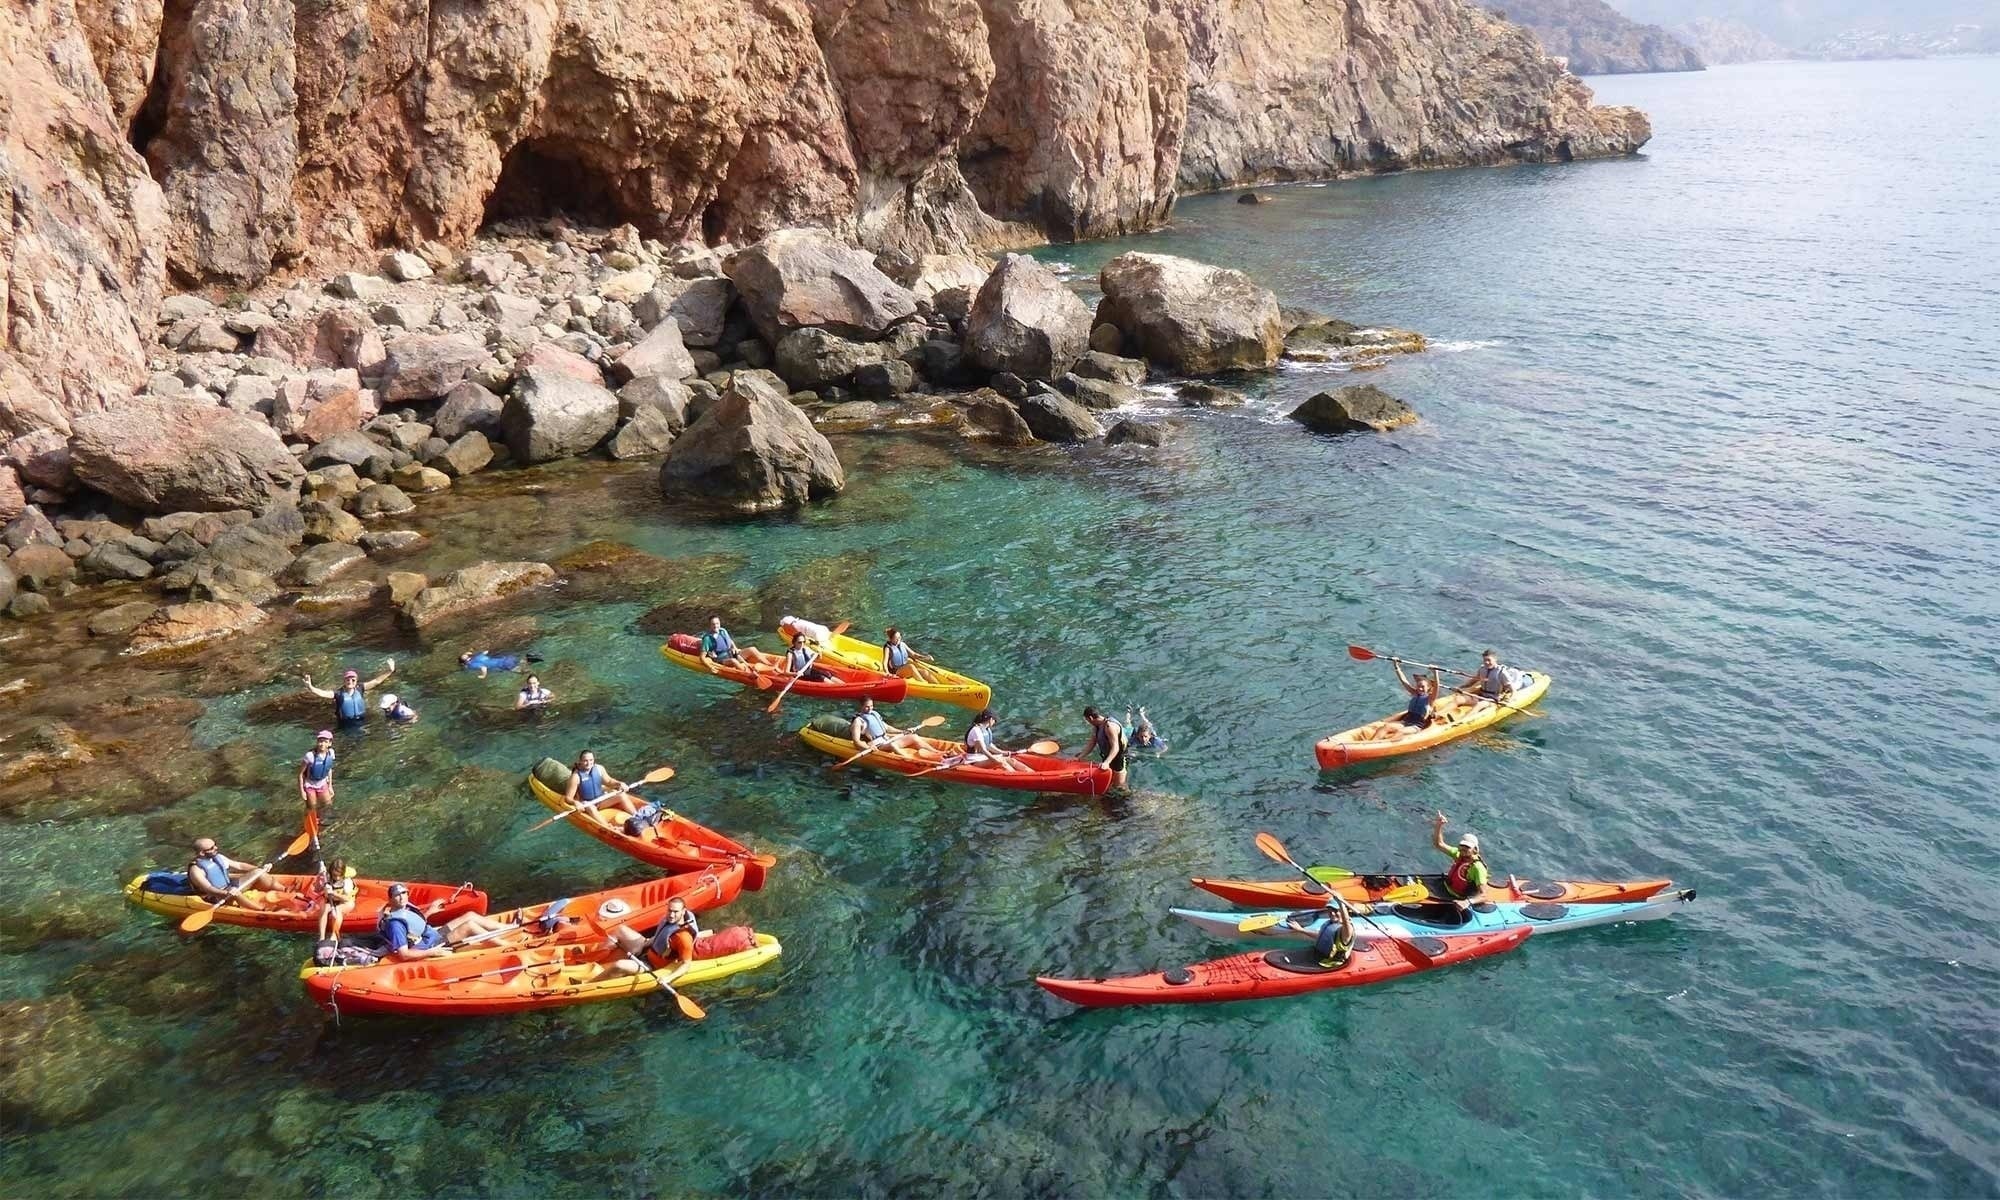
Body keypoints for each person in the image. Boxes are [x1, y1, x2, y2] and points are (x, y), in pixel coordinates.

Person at [376, 883, 518, 960]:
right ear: (390, 900)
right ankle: (507, 946)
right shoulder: (396, 924)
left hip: (433, 935)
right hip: (431, 945)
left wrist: (430, 911)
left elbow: (415, 926)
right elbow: (404, 954)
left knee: (470, 915)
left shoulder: (405, 908)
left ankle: (509, 928)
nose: (402, 897)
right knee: (469, 926)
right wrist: (432, 952)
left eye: (404, 893)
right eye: (397, 895)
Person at [590, 896, 702, 983]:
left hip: (650, 965)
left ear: (683, 911)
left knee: (619, 965)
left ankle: (588, 983)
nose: (671, 915)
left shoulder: (683, 937)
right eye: (669, 910)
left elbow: (686, 964)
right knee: (620, 929)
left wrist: (669, 978)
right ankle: (593, 959)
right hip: (647, 947)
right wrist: (644, 943)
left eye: (676, 912)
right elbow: (660, 935)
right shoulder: (667, 920)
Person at [185, 838, 279, 910]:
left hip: (229, 887)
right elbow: (209, 889)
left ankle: (285, 890)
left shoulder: (218, 857)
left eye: (215, 845)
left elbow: (239, 865)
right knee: (236, 892)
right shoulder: (196, 870)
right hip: (215, 897)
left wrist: (260, 868)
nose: (216, 848)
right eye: (212, 848)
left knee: (258, 872)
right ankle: (262, 910)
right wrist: (227, 893)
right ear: (202, 853)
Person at [1363, 663, 1444, 741]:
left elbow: (1437, 686)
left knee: (1400, 732)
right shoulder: (1414, 693)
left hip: (1415, 726)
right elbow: (1403, 681)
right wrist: (1396, 666)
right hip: (1405, 722)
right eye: (1418, 686)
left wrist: (1435, 672)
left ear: (1429, 688)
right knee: (1386, 727)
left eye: (1423, 687)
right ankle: (1370, 743)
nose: (1420, 688)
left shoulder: (1430, 699)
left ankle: (1387, 745)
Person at [302, 660, 395, 723]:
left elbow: (376, 681)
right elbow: (323, 693)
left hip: (361, 721)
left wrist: (390, 671)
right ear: (344, 681)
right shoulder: (339, 693)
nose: (350, 682)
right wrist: (311, 687)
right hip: (345, 724)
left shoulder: (360, 688)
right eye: (348, 680)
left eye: (353, 680)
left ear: (356, 681)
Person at [1431, 812, 1490, 906]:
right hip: (1444, 887)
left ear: (1475, 850)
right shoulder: (1459, 854)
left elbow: (1485, 895)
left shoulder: (1478, 868)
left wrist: (1467, 902)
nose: (1463, 848)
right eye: (1462, 845)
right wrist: (1439, 825)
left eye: (1467, 847)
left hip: (1456, 897)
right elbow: (1439, 844)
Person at [565, 750, 644, 819]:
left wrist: (620, 783)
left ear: (594, 760)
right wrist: (575, 803)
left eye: (591, 760)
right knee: (590, 807)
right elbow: (568, 798)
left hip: (601, 801)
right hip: (588, 805)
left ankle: (637, 816)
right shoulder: (575, 777)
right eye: (585, 760)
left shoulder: (599, 769)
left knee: (622, 795)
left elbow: (609, 781)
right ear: (580, 761)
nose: (589, 763)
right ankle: (610, 828)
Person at [1285, 895, 1356, 968]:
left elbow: (1346, 921)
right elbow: (1321, 936)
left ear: (1342, 911)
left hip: (1327, 964)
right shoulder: (1330, 923)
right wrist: (1301, 930)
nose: (1331, 913)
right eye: (1329, 910)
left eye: (1335, 910)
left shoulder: (1346, 931)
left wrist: (1341, 903)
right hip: (1316, 955)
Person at [849, 697, 925, 758]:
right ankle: (910, 760)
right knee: (893, 745)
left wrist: (902, 731)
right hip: (876, 745)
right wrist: (867, 748)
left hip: (887, 739)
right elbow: (856, 741)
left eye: (871, 706)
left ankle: (936, 753)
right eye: (867, 707)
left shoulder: (874, 714)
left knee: (914, 737)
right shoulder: (858, 721)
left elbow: (887, 728)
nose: (870, 709)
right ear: (861, 706)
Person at [961, 709, 1028, 773]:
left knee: (1010, 759)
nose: (994, 723)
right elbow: (983, 750)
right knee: (1002, 762)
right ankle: (1016, 777)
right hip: (974, 761)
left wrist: (1002, 752)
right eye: (995, 721)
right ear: (990, 719)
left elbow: (989, 745)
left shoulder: (987, 729)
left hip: (982, 758)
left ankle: (1029, 773)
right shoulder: (976, 730)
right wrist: (994, 760)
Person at [1084, 706, 1127, 790]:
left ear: (1091, 718)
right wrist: (1079, 757)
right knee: (1110, 783)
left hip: (1118, 756)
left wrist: (1107, 762)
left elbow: (1115, 747)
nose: (1087, 722)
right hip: (1107, 755)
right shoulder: (1096, 726)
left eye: (1087, 720)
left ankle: (1128, 798)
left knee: (1120, 786)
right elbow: (1092, 743)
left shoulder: (1109, 726)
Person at [316, 859, 357, 941]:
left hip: (345, 901)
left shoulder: (347, 881)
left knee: (338, 910)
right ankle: (321, 937)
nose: (337, 878)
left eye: (339, 875)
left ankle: (334, 937)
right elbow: (317, 889)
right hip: (331, 900)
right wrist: (319, 877)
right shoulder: (326, 876)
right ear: (331, 873)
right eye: (334, 875)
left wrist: (333, 893)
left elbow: (347, 899)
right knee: (323, 908)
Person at [298, 730, 337, 817]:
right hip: (310, 785)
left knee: (328, 804)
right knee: (312, 807)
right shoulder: (310, 756)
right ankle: (309, 821)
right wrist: (302, 791)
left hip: (323, 783)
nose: (322, 744)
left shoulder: (331, 753)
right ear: (317, 742)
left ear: (329, 743)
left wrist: (330, 786)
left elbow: (329, 769)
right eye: (320, 741)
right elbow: (300, 774)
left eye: (325, 742)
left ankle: (324, 819)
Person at [461, 649, 538, 677]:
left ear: (464, 663)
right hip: (507, 658)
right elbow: (486, 651)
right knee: (521, 661)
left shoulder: (471, 664)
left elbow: (483, 667)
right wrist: (470, 652)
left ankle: (533, 671)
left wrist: (483, 675)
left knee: (523, 672)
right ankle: (529, 660)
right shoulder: (478, 656)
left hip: (504, 665)